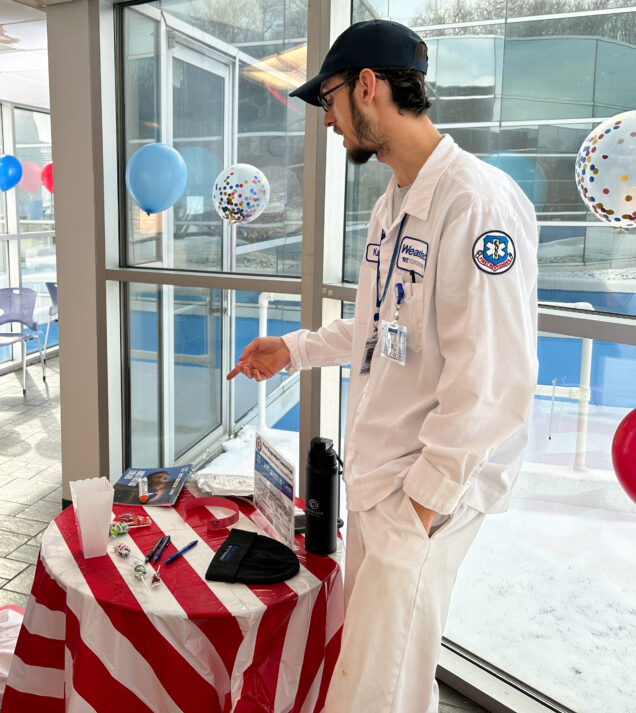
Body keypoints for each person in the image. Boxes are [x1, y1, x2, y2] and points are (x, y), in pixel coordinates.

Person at [227, 20, 538, 713]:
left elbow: (493, 380)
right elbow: (380, 328)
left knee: (379, 686)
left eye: (329, 99)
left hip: (422, 488)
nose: (328, 119)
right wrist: (296, 348)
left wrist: (420, 505)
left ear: (368, 86)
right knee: (377, 671)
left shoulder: (476, 203)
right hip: (380, 477)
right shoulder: (394, 204)